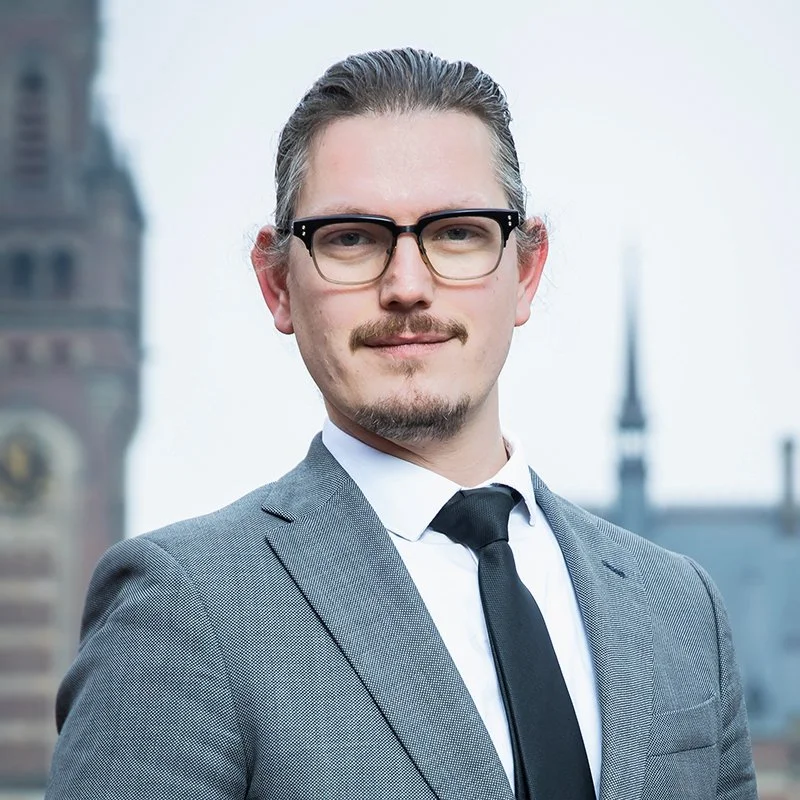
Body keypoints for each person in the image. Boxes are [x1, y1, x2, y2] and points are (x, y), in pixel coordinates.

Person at [47, 48, 757, 799]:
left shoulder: (680, 605)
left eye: (457, 232)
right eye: (351, 237)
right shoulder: (182, 612)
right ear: (277, 284)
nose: (408, 287)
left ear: (528, 269)